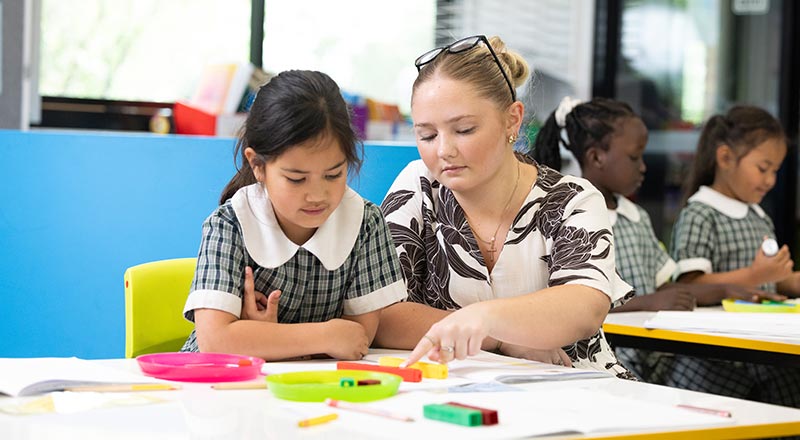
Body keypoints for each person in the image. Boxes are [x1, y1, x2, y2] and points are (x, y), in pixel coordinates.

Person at [375, 35, 635, 379]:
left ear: (512, 120)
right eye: (427, 135)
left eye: (464, 129)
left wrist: (482, 320)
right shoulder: (419, 186)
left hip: (575, 384)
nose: (444, 150)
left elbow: (583, 306)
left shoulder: (572, 198)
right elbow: (381, 313)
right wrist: (495, 336)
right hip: (465, 386)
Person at [531, 97, 789, 394]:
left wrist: (726, 290)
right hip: (600, 359)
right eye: (633, 157)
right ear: (596, 157)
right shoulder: (570, 218)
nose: (643, 167)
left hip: (647, 355)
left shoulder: (636, 216)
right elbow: (571, 306)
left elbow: (665, 285)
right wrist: (649, 302)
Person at [180, 70, 407, 360]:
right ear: (258, 165)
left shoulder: (366, 224)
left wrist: (260, 337)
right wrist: (325, 335)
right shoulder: (230, 224)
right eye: (296, 179)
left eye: (333, 174)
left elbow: (356, 339)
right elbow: (216, 341)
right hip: (221, 384)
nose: (317, 195)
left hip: (309, 388)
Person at [666, 105, 800, 407]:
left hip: (763, 348)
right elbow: (691, 284)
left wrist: (785, 280)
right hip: (716, 360)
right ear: (725, 158)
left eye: (775, 171)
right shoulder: (701, 213)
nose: (770, 180)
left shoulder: (759, 216)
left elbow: (771, 284)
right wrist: (755, 276)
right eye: (763, 168)